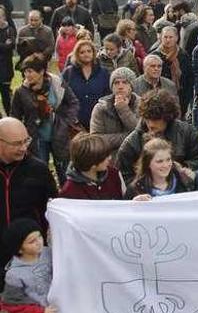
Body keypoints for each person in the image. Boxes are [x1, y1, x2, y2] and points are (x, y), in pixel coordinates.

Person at [11, 55, 79, 184]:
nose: (27, 75)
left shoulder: (56, 84)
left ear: (41, 71)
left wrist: (66, 122)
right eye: (25, 71)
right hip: (37, 139)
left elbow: (73, 102)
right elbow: (15, 117)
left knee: (64, 173)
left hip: (59, 135)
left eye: (30, 71)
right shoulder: (21, 92)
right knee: (40, 173)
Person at [0, 116, 57, 270]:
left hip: (29, 256)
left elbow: (53, 209)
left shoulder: (38, 170)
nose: (24, 148)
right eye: (17, 144)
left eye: (26, 141)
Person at [116, 89, 198, 184]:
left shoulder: (188, 133)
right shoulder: (131, 143)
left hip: (182, 190)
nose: (150, 125)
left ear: (168, 118)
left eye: (156, 120)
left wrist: (178, 169)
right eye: (147, 119)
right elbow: (124, 177)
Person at [89, 67, 139, 156]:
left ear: (132, 86)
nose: (120, 86)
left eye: (125, 82)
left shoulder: (141, 105)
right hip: (109, 159)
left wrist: (123, 109)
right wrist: (127, 137)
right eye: (116, 83)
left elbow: (141, 133)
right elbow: (96, 140)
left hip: (135, 157)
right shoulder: (101, 108)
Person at [58, 133, 125, 200]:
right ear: (92, 164)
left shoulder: (114, 174)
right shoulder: (69, 193)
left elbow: (125, 199)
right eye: (105, 157)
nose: (110, 158)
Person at [62, 40, 111, 129]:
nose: (86, 54)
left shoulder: (103, 72)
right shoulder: (68, 72)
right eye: (82, 52)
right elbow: (62, 96)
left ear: (93, 53)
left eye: (89, 51)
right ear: (77, 54)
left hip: (98, 121)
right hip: (74, 123)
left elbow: (108, 95)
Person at [126, 138, 194, 200]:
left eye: (168, 159)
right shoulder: (135, 189)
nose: (166, 165)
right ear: (148, 163)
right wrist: (133, 204)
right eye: (159, 161)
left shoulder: (184, 181)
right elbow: (123, 211)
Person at [149, 25, 193, 116]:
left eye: (170, 37)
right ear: (161, 38)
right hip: (160, 96)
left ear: (176, 38)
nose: (168, 40)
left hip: (180, 96)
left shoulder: (183, 55)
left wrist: (187, 97)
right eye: (165, 37)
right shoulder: (154, 55)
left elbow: (189, 77)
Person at [0, 8, 15, 114]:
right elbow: (6, 46)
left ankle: (10, 118)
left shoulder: (10, 30)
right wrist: (4, 45)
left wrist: (6, 46)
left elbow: (10, 46)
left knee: (6, 95)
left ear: (4, 17)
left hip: (6, 69)